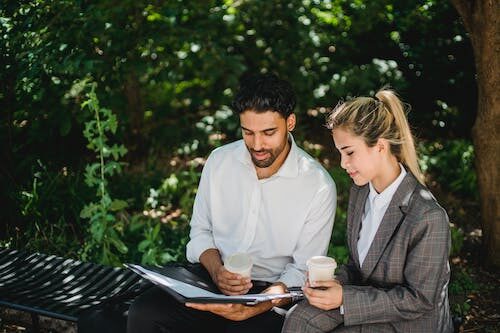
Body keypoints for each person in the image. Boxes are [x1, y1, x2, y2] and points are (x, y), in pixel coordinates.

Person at [127, 73, 337, 333]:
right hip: (213, 279)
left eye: (268, 132)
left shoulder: (318, 185)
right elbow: (201, 233)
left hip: (271, 294)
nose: (257, 145)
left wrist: (253, 307)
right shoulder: (219, 161)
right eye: (248, 132)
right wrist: (217, 272)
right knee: (144, 313)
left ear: (290, 122)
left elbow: (302, 270)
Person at [282, 89, 453, 332]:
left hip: (407, 322)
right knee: (299, 317)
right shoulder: (361, 193)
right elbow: (358, 268)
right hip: (368, 304)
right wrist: (330, 284)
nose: (343, 164)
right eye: (340, 153)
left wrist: (344, 299)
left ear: (381, 147)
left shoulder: (427, 216)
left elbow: (420, 300)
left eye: (349, 152)